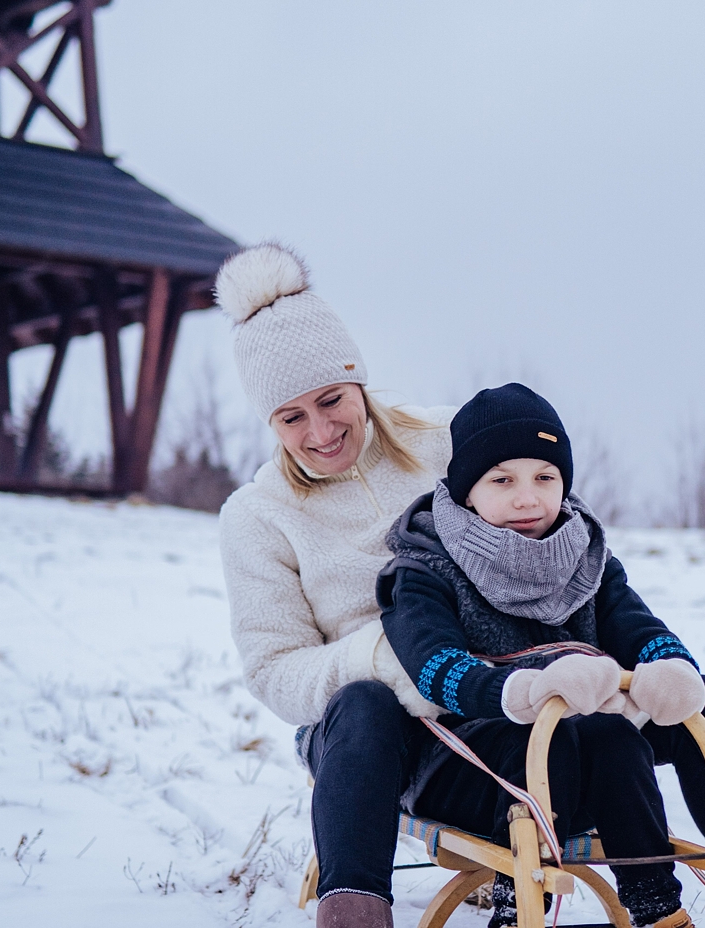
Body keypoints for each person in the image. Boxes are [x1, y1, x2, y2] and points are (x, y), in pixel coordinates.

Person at [378, 384, 705, 928]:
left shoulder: (583, 553)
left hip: (585, 742)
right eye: (502, 480)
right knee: (602, 733)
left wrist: (668, 667)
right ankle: (647, 907)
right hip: (472, 756)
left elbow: (635, 623)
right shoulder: (424, 564)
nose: (527, 498)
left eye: (545, 477)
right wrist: (524, 688)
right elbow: (433, 667)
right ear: (465, 491)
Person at [215, 242, 455, 928]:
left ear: (359, 381)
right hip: (362, 737)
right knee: (366, 707)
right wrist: (374, 658)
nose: (321, 432)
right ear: (270, 422)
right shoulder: (258, 516)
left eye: (331, 400)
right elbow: (273, 667)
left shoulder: (444, 445)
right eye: (292, 418)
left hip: (474, 697)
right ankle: (353, 910)